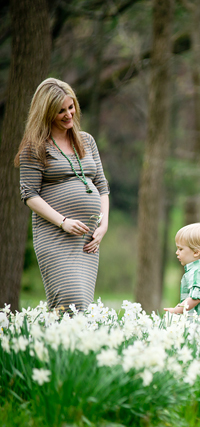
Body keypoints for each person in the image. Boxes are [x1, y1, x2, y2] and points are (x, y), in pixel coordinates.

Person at [15, 78, 110, 313]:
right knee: (70, 299)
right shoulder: (34, 146)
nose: (69, 114)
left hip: (87, 239)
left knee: (81, 307)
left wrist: (103, 225)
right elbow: (29, 194)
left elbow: (102, 186)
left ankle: (66, 348)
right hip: (55, 235)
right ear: (46, 112)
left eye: (71, 107)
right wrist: (63, 222)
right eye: (60, 111)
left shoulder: (86, 141)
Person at [164, 223, 200, 316]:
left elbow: (195, 298)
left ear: (196, 252)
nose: (176, 252)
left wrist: (176, 310)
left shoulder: (197, 272)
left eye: (180, 249)